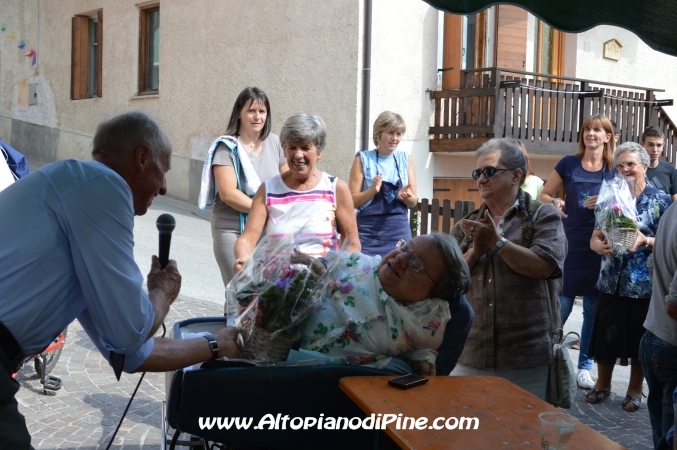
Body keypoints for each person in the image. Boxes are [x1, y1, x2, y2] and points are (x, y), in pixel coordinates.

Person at [0, 112, 240, 450]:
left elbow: (128, 353)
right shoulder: (103, 183)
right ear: (141, 158)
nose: (165, 187)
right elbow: (130, 331)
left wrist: (217, 344)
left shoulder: (78, 188)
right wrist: (160, 294)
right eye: (164, 170)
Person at [450, 138, 567, 399]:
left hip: (525, 358)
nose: (481, 179)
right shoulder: (467, 225)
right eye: (477, 172)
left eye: (489, 171)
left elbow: (545, 267)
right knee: (468, 436)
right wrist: (476, 251)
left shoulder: (543, 215)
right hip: (471, 353)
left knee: (522, 438)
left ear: (516, 175)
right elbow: (450, 282)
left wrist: (496, 243)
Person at [298, 233, 471, 376]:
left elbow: (424, 347)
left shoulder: (428, 316)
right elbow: (329, 263)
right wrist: (313, 266)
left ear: (435, 291)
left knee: (401, 371)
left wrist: (422, 358)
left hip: (339, 379)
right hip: (288, 346)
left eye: (416, 264)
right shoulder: (362, 264)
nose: (401, 258)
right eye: (405, 248)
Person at [588, 142, 671, 412]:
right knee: (606, 335)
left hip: (643, 283)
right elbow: (596, 235)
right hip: (611, 278)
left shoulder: (661, 200)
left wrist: (646, 240)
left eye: (631, 164)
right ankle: (602, 384)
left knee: (638, 338)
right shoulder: (609, 195)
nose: (625, 169)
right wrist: (597, 245)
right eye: (620, 164)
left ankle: (635, 390)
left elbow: (667, 240)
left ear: (644, 167)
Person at [538, 114, 616, 390]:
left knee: (593, 312)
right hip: (569, 243)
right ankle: (548, 360)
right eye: (587, 129)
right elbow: (543, 195)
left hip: (599, 246)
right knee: (561, 307)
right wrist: (556, 200)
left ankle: (584, 368)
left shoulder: (613, 169)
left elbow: (622, 209)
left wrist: (606, 203)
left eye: (597, 130)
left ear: (608, 137)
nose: (591, 134)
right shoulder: (568, 163)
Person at [198, 87, 289, 317]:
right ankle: (232, 344)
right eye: (251, 111)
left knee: (267, 292)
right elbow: (228, 193)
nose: (257, 117)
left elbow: (287, 182)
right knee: (240, 291)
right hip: (231, 229)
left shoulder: (275, 143)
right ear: (239, 113)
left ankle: (257, 346)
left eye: (262, 111)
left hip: (267, 230)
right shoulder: (225, 147)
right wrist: (265, 210)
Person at [234, 113, 360, 270]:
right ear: (284, 150)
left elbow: (352, 243)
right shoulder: (268, 189)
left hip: (321, 286)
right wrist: (243, 256)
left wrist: (334, 271)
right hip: (274, 287)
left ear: (319, 152)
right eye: (292, 147)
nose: (298, 154)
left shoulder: (335, 188)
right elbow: (247, 239)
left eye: (306, 148)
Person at [349, 111, 417, 256]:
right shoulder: (363, 159)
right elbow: (351, 201)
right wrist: (372, 190)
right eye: (390, 133)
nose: (395, 138)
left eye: (399, 134)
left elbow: (413, 202)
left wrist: (406, 197)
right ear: (378, 134)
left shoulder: (407, 160)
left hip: (399, 235)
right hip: (368, 235)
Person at [640, 200, 677, 446]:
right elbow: (674, 306)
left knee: (661, 439)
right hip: (670, 344)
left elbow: (653, 266)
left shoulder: (672, 210)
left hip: (654, 336)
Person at [641, 125, 677, 202]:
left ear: (663, 145)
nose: (655, 149)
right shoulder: (635, 170)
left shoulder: (670, 169)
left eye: (659, 145)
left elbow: (675, 203)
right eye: (651, 144)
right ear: (642, 145)